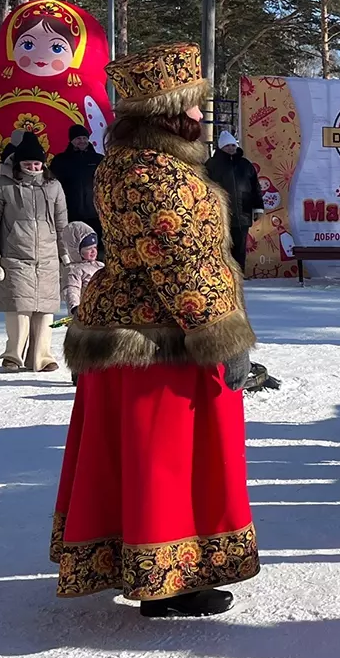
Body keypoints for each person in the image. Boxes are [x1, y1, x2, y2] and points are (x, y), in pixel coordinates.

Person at [57, 42, 259, 619]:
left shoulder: (134, 165)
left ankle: (170, 574)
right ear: (166, 112)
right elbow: (178, 262)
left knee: (155, 464)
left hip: (140, 331)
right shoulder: (155, 175)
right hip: (161, 340)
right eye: (194, 107)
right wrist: (222, 333)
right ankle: (164, 580)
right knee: (166, 465)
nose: (202, 117)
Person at [0, 133, 68, 373]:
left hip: (47, 256)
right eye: (28, 163)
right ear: (18, 163)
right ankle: (13, 355)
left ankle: (40, 357)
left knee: (45, 308)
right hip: (15, 254)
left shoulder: (53, 186)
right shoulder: (1, 185)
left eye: (37, 163)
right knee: (19, 306)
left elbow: (62, 224)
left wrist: (66, 255)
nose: (33, 167)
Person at [206, 130, 263, 271]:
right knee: (222, 247)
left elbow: (255, 187)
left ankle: (239, 275)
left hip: (243, 214)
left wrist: (258, 207)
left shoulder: (245, 164)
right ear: (221, 147)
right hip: (220, 214)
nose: (231, 148)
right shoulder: (212, 164)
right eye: (227, 146)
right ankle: (223, 276)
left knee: (240, 248)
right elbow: (205, 187)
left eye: (233, 145)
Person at [49, 124, 104, 240]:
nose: (82, 141)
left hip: (94, 212)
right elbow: (52, 184)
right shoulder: (60, 160)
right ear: (72, 140)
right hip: (71, 211)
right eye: (78, 138)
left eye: (84, 138)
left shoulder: (98, 159)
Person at [61, 221, 103, 315]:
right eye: (88, 248)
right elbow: (72, 289)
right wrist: (75, 307)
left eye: (95, 247)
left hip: (102, 310)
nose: (93, 251)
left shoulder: (100, 266)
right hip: (85, 313)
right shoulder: (74, 270)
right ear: (76, 250)